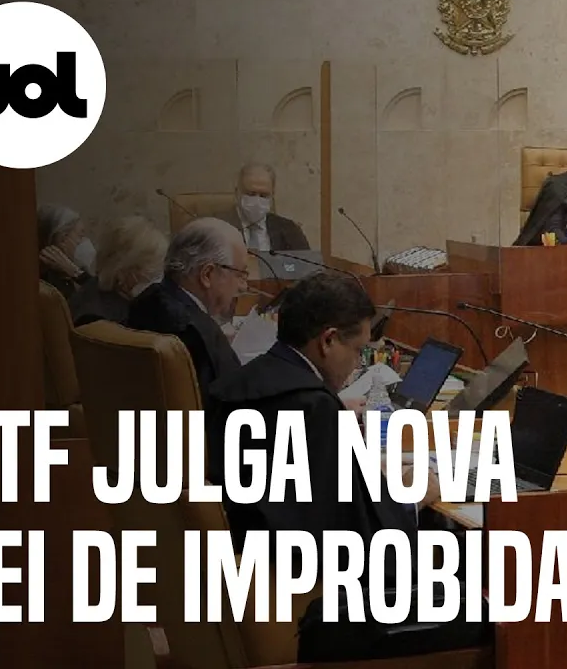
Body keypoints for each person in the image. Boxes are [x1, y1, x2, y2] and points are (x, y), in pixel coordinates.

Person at [206, 272, 490, 661]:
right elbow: (354, 537)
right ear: (328, 340)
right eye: (357, 351)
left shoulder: (239, 386)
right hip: (310, 596)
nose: (357, 365)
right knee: (472, 573)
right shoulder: (310, 407)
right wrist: (411, 498)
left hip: (249, 569)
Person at [125, 217, 247, 400]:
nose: (243, 286)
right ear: (207, 274)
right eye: (240, 274)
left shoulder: (144, 300)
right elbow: (236, 403)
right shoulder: (198, 334)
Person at [69, 216, 168, 326]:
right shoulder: (98, 318)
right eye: (150, 271)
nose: (155, 277)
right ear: (121, 271)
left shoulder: (100, 288)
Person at [212, 162, 311, 252]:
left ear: (272, 195)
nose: (257, 200)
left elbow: (307, 264)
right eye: (251, 194)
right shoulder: (215, 228)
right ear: (237, 193)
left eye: (264, 195)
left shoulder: (290, 230)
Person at [37, 204, 95, 300]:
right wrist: (75, 272)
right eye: (80, 236)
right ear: (62, 240)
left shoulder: (64, 277)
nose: (85, 241)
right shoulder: (50, 288)